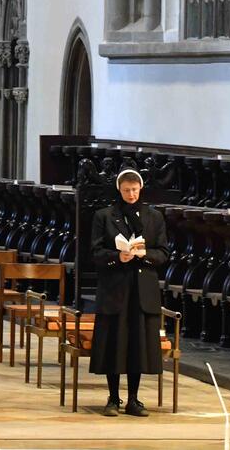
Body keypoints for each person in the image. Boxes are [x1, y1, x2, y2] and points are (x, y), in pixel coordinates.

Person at [89, 168, 170, 417]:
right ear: (119, 190)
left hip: (142, 289)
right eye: (126, 190)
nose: (131, 194)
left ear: (141, 188)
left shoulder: (154, 217)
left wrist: (145, 255)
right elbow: (95, 252)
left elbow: (164, 253)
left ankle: (134, 399)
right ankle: (113, 398)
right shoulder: (104, 216)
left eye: (135, 190)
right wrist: (118, 257)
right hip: (115, 288)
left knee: (138, 345)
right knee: (115, 343)